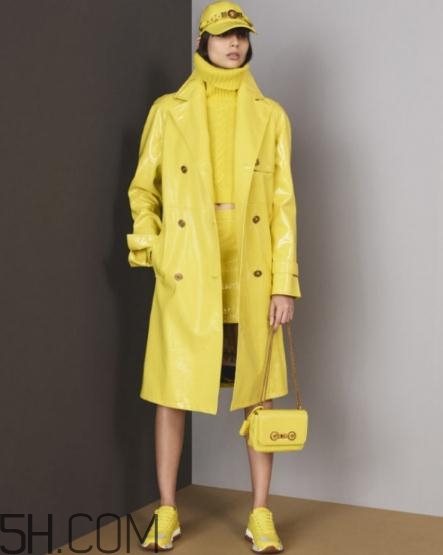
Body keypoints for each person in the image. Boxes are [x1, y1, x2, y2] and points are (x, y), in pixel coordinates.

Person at [126, 2, 301, 552]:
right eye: (224, 35)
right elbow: (143, 190)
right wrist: (155, 247)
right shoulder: (168, 110)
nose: (234, 44)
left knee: (259, 395)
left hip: (250, 269)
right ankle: (167, 509)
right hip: (189, 267)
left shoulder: (271, 115)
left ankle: (261, 513)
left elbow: (283, 206)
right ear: (203, 42)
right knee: (172, 392)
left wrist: (283, 282)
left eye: (242, 35)